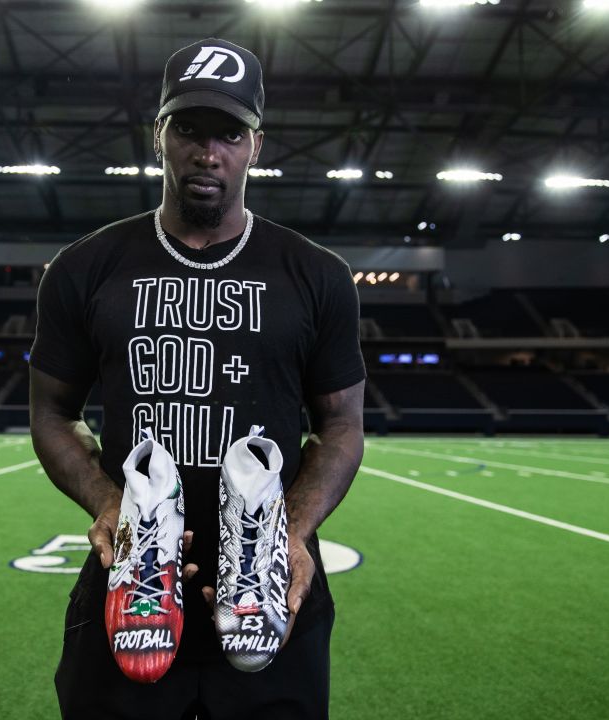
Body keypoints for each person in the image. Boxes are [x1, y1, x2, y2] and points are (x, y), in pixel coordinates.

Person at [29, 37, 365, 719]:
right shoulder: (84, 267)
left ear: (256, 146)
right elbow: (50, 414)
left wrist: (293, 531)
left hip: (268, 584)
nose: (207, 151)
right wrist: (107, 503)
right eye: (188, 128)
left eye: (228, 133)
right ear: (159, 136)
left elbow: (341, 426)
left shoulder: (317, 274)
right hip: (135, 582)